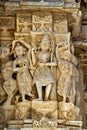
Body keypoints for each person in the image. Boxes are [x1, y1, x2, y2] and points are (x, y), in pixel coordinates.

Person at [32, 34, 57, 101]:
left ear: (50, 46)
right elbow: (34, 63)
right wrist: (32, 53)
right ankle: (40, 97)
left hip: (46, 70)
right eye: (43, 43)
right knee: (38, 81)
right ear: (40, 45)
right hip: (39, 70)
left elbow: (55, 63)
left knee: (50, 82)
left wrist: (46, 64)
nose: (45, 45)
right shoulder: (38, 53)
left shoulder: (50, 54)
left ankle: (46, 97)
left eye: (47, 44)